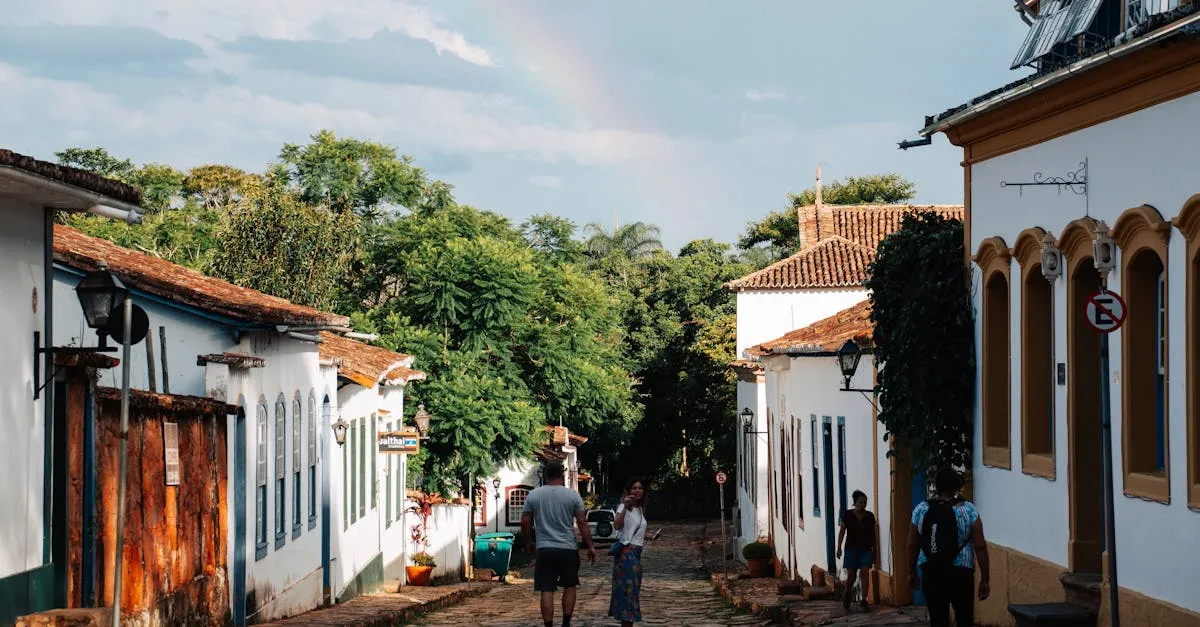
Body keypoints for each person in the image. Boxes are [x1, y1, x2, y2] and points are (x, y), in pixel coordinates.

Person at [907, 468, 991, 627]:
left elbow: (912, 545)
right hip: (961, 572)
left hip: (932, 570)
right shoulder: (969, 510)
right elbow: (980, 546)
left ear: (936, 486)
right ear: (956, 487)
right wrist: (985, 579)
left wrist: (911, 572)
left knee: (938, 619)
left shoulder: (921, 509)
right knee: (964, 617)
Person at [522, 461, 598, 627]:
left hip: (544, 548)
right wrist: (590, 546)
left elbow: (525, 520)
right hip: (567, 548)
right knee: (570, 585)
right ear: (562, 474)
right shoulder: (572, 495)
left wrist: (529, 541)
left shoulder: (534, 495)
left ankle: (548, 625)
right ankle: (565, 623)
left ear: (546, 475)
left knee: (546, 589)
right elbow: (582, 522)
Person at [608, 478, 648, 626]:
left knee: (632, 594)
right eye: (634, 488)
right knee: (628, 596)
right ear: (628, 491)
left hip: (636, 555)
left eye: (640, 488)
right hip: (627, 556)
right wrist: (625, 506)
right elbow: (617, 526)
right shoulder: (623, 507)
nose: (638, 491)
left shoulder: (640, 509)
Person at [836, 490, 876, 611]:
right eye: (860, 502)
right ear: (855, 503)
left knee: (865, 573)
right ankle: (848, 592)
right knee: (851, 576)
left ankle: (864, 600)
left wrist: (876, 551)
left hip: (866, 549)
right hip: (851, 549)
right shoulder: (848, 515)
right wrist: (839, 547)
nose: (863, 504)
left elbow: (873, 535)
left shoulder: (870, 516)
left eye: (865, 502)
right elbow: (842, 531)